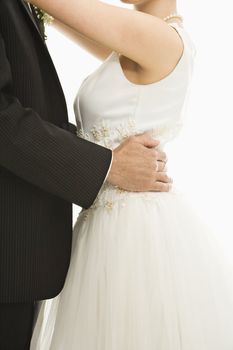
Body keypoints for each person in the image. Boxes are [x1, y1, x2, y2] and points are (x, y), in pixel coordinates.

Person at [30, 0, 233, 349]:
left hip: (130, 229)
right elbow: (63, 18)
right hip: (107, 219)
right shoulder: (136, 37)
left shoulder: (156, 36)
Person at [0, 1, 171, 349]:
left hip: (123, 226)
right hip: (67, 223)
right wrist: (107, 162)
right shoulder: (132, 35)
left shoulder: (161, 37)